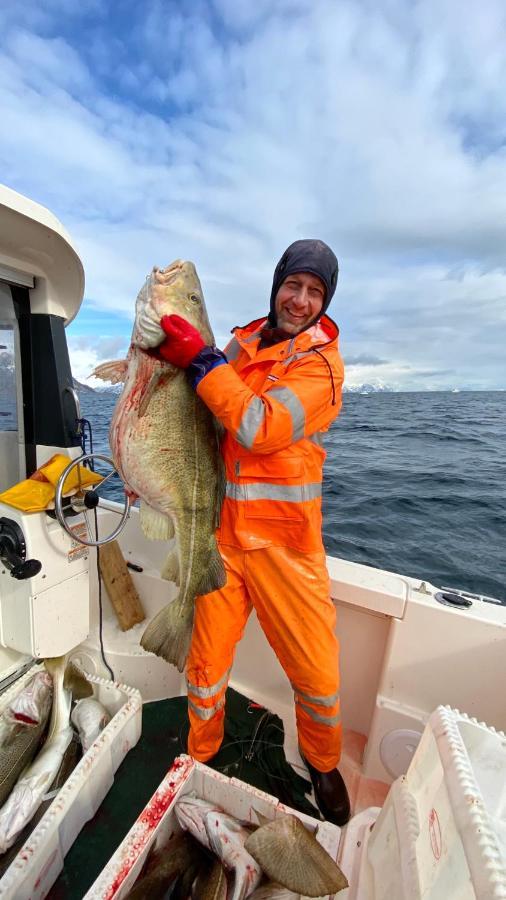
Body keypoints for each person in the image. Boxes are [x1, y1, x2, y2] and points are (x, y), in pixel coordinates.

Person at [157, 239, 350, 826]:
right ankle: (202, 752)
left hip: (286, 546)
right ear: (277, 283)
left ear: (325, 301)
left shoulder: (322, 367)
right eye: (294, 284)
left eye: (315, 291)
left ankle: (322, 763)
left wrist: (204, 362)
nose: (301, 299)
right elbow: (198, 418)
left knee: (316, 673)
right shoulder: (239, 344)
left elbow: (256, 424)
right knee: (206, 659)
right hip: (221, 534)